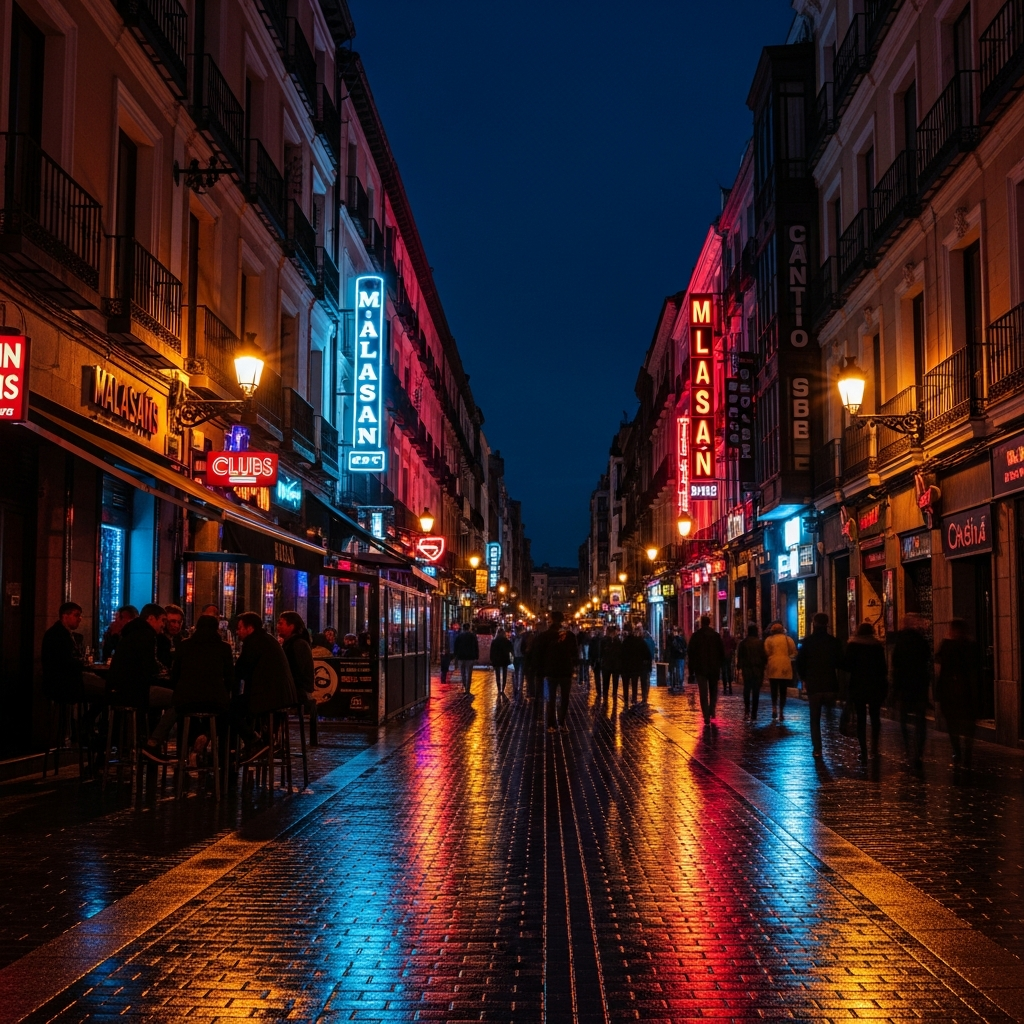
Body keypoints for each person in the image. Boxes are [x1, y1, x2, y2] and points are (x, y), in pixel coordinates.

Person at [107, 603, 176, 761]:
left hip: (118, 690)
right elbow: (149, 666)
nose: (163, 625)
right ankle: (152, 743)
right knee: (179, 700)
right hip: (135, 692)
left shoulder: (131, 632)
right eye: (162, 620)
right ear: (151, 618)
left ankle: (138, 743)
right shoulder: (147, 634)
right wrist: (163, 671)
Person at [232, 611, 297, 758]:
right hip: (281, 695)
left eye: (240, 628)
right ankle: (258, 743)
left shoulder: (254, 642)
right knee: (241, 706)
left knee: (230, 708)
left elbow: (240, 670)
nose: (237, 632)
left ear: (250, 628)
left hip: (270, 697)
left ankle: (254, 742)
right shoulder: (266, 639)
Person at [170, 614, 234, 757]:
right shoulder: (224, 648)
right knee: (223, 715)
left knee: (185, 713)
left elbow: (175, 675)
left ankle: (184, 754)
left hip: (187, 699)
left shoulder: (184, 645)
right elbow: (230, 678)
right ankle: (220, 755)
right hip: (215, 700)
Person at [795, 613, 843, 758]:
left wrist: (804, 678)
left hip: (814, 685)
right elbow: (840, 662)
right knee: (830, 716)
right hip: (830, 684)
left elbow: (799, 663)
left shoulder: (807, 642)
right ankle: (833, 745)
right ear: (827, 623)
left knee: (815, 718)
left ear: (814, 623)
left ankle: (818, 748)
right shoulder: (833, 642)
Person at [935, 618, 979, 768]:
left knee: (953, 724)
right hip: (966, 691)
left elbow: (940, 669)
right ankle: (966, 751)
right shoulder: (971, 645)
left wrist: (939, 693)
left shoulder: (947, 645)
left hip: (951, 692)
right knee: (967, 725)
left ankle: (958, 751)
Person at [844, 621, 888, 763]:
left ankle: (863, 749)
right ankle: (874, 747)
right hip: (875, 685)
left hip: (858, 685)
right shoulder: (877, 646)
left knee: (861, 718)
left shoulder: (853, 645)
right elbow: (883, 668)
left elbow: (847, 666)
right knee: (875, 717)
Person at [42, 601, 105, 702]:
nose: (80, 619)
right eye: (76, 615)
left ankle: (87, 717)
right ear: (65, 616)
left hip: (61, 681)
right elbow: (64, 661)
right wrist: (83, 663)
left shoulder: (60, 633)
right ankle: (88, 718)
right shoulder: (58, 635)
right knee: (106, 690)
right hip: (65, 682)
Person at [892, 613, 931, 767]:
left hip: (904, 685)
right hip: (919, 685)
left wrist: (895, 687)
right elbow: (926, 659)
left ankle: (908, 748)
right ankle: (919, 750)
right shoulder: (922, 641)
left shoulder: (900, 641)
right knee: (920, 719)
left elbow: (896, 665)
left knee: (904, 719)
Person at [278, 611, 317, 745]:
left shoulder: (298, 644)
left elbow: (296, 672)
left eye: (281, 623)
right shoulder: (290, 643)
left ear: (292, 626)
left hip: (299, 692)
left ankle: (268, 738)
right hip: (294, 690)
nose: (278, 626)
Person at [541, 611, 577, 732]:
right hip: (566, 670)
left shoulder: (545, 636)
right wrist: (573, 666)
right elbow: (575, 653)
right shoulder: (570, 635)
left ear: (551, 619)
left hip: (550, 670)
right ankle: (561, 723)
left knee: (550, 698)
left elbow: (540, 654)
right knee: (564, 698)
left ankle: (551, 724)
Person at [688, 614, 726, 725]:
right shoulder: (716, 636)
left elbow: (691, 653)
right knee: (713, 691)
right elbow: (721, 653)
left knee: (703, 692)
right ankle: (712, 709)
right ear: (709, 623)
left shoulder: (696, 636)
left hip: (700, 669)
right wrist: (721, 666)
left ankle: (706, 715)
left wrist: (691, 671)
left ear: (701, 623)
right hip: (714, 668)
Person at [764, 622, 797, 722]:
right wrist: (788, 657)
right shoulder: (788, 639)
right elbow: (794, 652)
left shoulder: (768, 640)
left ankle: (774, 707)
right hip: (785, 667)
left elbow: (767, 652)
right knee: (783, 691)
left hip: (773, 666)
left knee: (774, 689)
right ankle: (781, 711)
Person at [737, 623, 766, 721]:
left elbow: (740, 656)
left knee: (747, 689)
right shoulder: (760, 643)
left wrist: (739, 666)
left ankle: (747, 710)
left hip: (747, 669)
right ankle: (754, 713)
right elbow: (764, 657)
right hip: (757, 669)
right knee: (756, 691)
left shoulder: (743, 643)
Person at [621, 624, 648, 707]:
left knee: (626, 684)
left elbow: (621, 655)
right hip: (635, 667)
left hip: (626, 667)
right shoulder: (639, 641)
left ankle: (626, 699)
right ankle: (634, 698)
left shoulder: (625, 642)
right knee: (634, 683)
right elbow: (646, 654)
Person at [157, 604, 186, 669]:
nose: (177, 626)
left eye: (179, 622)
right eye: (172, 621)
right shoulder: (157, 640)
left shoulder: (182, 640)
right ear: (164, 621)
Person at [453, 622, 479, 695]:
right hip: (470, 657)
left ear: (463, 628)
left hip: (461, 657)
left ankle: (465, 685)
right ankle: (468, 688)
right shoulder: (472, 636)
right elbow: (476, 647)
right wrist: (476, 656)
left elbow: (456, 647)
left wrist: (456, 656)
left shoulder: (459, 636)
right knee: (469, 673)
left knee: (463, 673)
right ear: (469, 628)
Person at [601, 624, 624, 703]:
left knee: (608, 682)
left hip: (612, 665)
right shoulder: (613, 641)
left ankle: (608, 695)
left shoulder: (616, 641)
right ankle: (608, 695)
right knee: (609, 682)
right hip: (610, 665)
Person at [490, 627, 513, 698]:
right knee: (504, 674)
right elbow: (511, 649)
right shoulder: (506, 641)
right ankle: (503, 689)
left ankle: (499, 688)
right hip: (504, 659)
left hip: (496, 659)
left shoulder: (494, 641)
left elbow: (492, 652)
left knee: (497, 674)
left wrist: (492, 659)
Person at [666, 627, 687, 693]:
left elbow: (672, 647)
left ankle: (677, 685)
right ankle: (679, 685)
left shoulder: (674, 639)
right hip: (679, 657)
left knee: (677, 671)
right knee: (679, 671)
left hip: (676, 657)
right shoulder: (681, 639)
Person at [512, 626, 528, 699]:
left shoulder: (523, 639)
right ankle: (516, 686)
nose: (515, 633)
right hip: (516, 657)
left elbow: (524, 647)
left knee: (521, 673)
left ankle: (520, 687)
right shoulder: (514, 639)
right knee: (516, 672)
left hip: (521, 657)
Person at [588, 626, 604, 698]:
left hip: (596, 661)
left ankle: (599, 691)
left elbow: (590, 651)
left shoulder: (594, 640)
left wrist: (591, 660)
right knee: (602, 676)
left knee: (597, 677)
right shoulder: (603, 640)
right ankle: (602, 691)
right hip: (601, 660)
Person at [720, 627, 737, 695]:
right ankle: (730, 687)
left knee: (724, 672)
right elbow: (734, 646)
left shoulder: (721, 639)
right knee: (729, 671)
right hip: (729, 656)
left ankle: (725, 688)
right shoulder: (731, 638)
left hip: (723, 657)